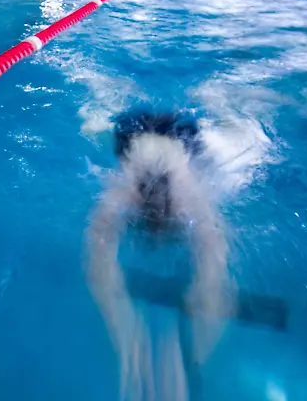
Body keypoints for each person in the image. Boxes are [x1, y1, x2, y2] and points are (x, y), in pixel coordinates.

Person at [86, 110, 235, 399]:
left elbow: (214, 281)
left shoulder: (190, 199)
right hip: (139, 137)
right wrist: (125, 336)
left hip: (173, 141)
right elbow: (99, 263)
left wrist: (192, 358)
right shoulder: (123, 192)